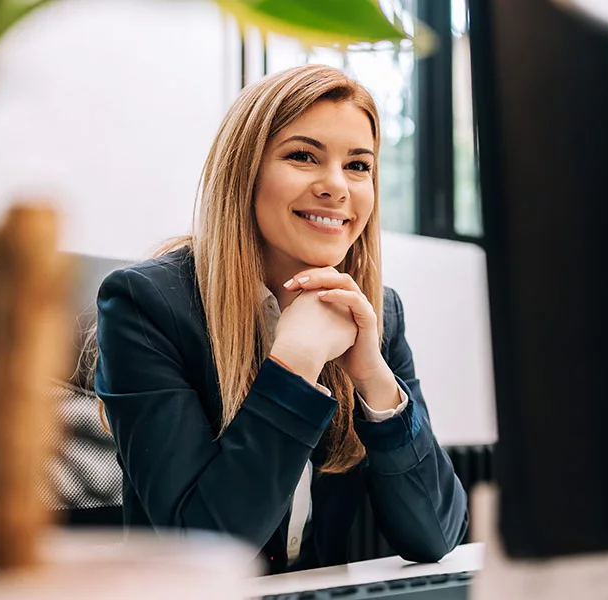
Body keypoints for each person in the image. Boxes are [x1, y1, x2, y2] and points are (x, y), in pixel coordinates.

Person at [92, 64, 469, 573]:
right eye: (302, 156)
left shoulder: (376, 311)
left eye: (358, 166)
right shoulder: (148, 306)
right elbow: (205, 550)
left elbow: (436, 535)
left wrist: (374, 379)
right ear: (243, 172)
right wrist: (295, 364)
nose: (336, 187)